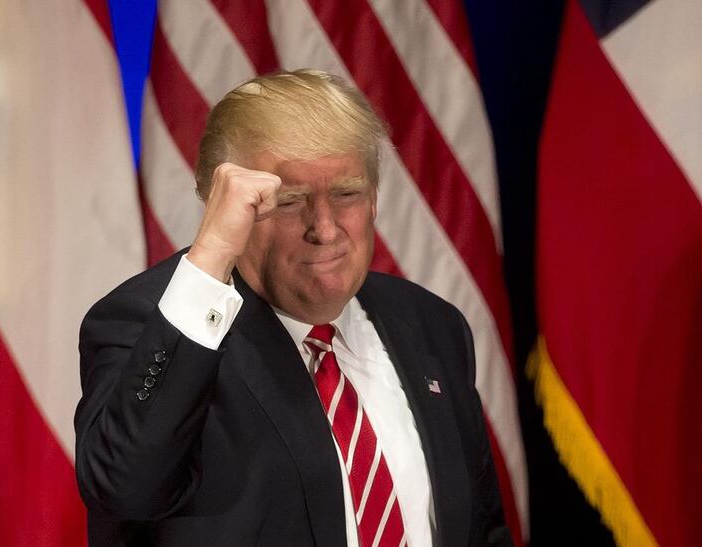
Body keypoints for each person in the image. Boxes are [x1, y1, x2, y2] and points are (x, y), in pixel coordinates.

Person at [75, 69, 511, 547]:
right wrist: (213, 250)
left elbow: (481, 528)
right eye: (289, 201)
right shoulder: (151, 323)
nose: (324, 228)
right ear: (228, 206)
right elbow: (125, 490)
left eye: (347, 193)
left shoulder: (431, 325)